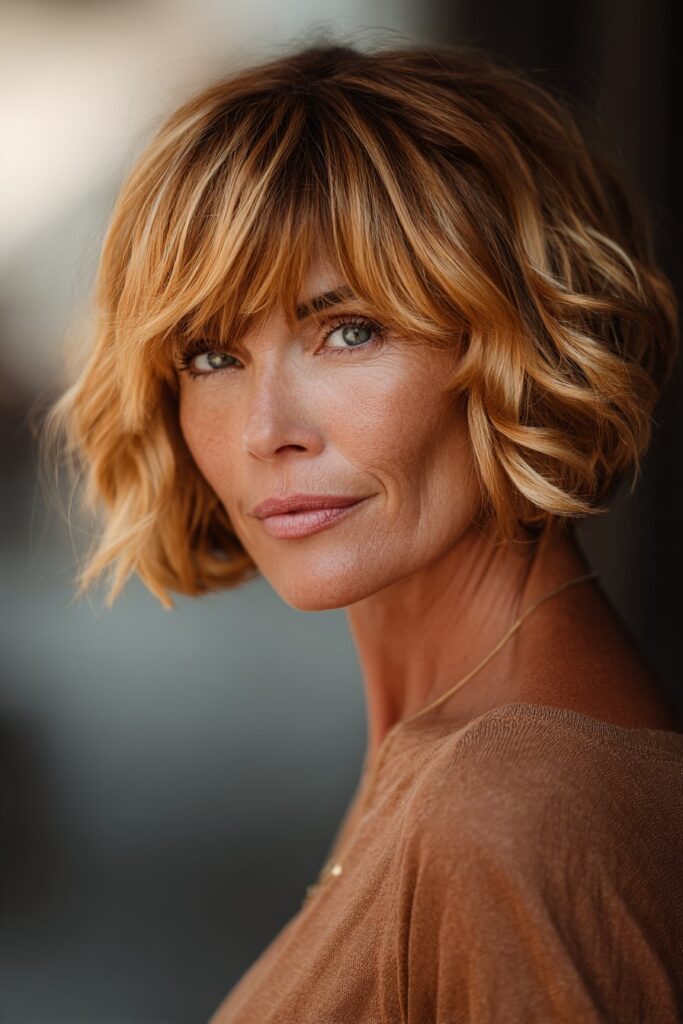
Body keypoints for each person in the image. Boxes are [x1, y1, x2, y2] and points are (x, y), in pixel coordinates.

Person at [39, 37, 683, 1024]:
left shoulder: (515, 805)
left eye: (347, 330)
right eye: (212, 353)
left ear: (515, 335)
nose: (267, 432)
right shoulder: (445, 749)